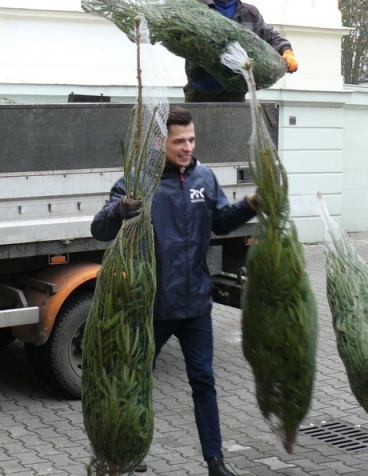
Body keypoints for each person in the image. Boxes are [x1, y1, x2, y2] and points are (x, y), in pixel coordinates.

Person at [91, 106, 256, 476]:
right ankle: (127, 451)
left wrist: (249, 205)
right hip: (152, 304)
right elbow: (98, 228)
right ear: (158, 142)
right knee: (134, 381)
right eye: (178, 141)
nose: (187, 147)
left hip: (196, 301)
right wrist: (121, 208)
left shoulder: (204, 178)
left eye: (191, 140)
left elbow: (221, 221)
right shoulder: (139, 183)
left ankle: (215, 461)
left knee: (204, 380)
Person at [184, 0, 298, 103]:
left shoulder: (250, 14)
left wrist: (286, 51)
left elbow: (270, 36)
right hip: (200, 88)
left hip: (234, 89)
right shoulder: (197, 8)